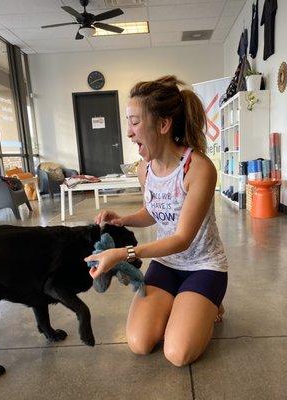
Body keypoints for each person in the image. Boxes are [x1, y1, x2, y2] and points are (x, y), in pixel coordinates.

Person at [84, 76, 228, 367]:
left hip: (203, 266)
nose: (128, 132)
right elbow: (154, 211)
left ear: (163, 125)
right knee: (139, 343)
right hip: (166, 265)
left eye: (135, 122)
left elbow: (182, 238)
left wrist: (122, 254)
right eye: (128, 122)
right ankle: (184, 304)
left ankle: (208, 304)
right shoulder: (144, 169)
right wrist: (121, 219)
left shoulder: (197, 168)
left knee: (177, 354)